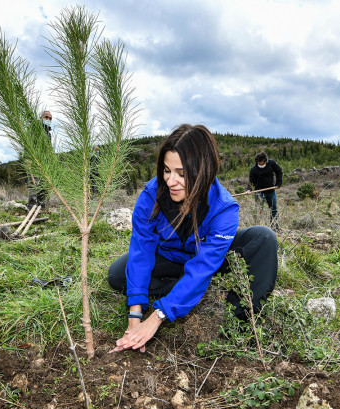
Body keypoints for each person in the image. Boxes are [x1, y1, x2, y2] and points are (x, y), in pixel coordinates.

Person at [107, 124, 278, 353]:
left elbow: (204, 264)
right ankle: (186, 290)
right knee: (118, 274)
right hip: (171, 260)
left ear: (203, 171)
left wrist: (158, 316)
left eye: (182, 173)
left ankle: (240, 321)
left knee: (264, 238)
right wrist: (135, 316)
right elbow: (142, 251)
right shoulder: (151, 195)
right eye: (167, 170)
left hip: (210, 261)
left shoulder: (224, 208)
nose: (170, 181)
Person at [246, 152, 282, 230]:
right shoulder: (254, 169)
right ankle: (258, 227)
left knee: (273, 209)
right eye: (258, 163)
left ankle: (274, 227)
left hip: (270, 189)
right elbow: (251, 181)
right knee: (259, 209)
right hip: (259, 192)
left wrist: (278, 183)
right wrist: (248, 189)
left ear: (265, 160)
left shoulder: (272, 163)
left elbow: (279, 172)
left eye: (261, 163)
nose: (260, 164)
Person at [27, 110, 53, 208]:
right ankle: (32, 206)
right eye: (46, 117)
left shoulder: (48, 134)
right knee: (34, 184)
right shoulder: (35, 129)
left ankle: (42, 207)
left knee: (44, 185)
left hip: (44, 163)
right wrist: (28, 159)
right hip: (33, 161)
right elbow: (28, 143)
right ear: (41, 118)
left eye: (50, 118)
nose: (48, 119)